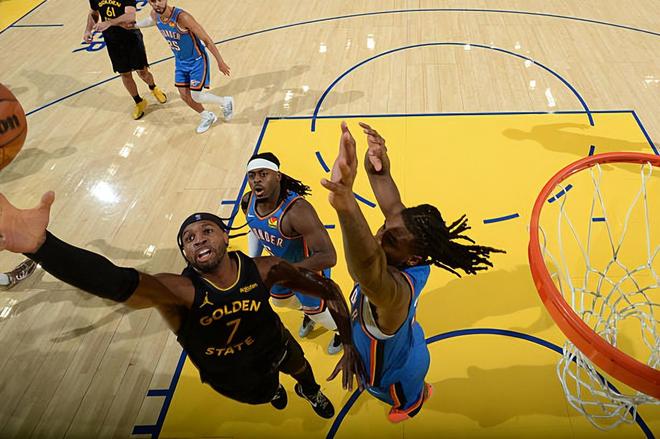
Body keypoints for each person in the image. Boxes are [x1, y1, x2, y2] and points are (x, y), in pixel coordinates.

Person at [0, 193, 364, 417]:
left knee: (301, 369)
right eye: (189, 238)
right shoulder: (179, 291)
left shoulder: (266, 269)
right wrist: (43, 247)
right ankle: (274, 391)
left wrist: (348, 342)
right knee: (267, 393)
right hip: (231, 377)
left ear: (226, 236)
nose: (199, 239)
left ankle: (309, 390)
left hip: (276, 346)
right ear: (185, 253)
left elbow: (329, 289)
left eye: (207, 231)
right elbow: (115, 282)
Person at [320, 122, 505, 423]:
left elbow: (366, 269)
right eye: (384, 227)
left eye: (390, 240)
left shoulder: (394, 294)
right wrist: (376, 160)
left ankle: (413, 403)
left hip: (397, 375)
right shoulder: (407, 239)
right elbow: (387, 193)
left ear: (413, 257)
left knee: (407, 400)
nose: (380, 236)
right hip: (405, 340)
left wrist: (346, 205)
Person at [241, 153, 343, 355]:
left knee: (319, 313)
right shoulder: (248, 201)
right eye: (252, 175)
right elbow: (255, 228)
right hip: (279, 269)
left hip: (307, 270)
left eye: (263, 174)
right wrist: (253, 261)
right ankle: (308, 313)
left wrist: (286, 270)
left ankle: (342, 331)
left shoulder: (297, 211)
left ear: (277, 176)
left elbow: (328, 256)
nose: (256, 180)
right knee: (280, 301)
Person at [135, 0, 234, 134]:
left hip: (197, 60)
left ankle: (225, 102)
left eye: (159, 0)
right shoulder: (155, 15)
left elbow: (206, 39)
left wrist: (220, 61)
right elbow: (150, 21)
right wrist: (133, 25)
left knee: (196, 96)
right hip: (180, 62)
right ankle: (207, 116)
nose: (156, 4)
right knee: (184, 95)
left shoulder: (182, 17)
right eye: (152, 1)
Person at [84, 0, 167, 120]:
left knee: (142, 72)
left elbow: (130, 16)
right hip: (112, 40)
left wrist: (109, 22)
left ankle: (153, 87)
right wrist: (88, 30)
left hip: (131, 37)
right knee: (125, 74)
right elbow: (93, 13)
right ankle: (139, 101)